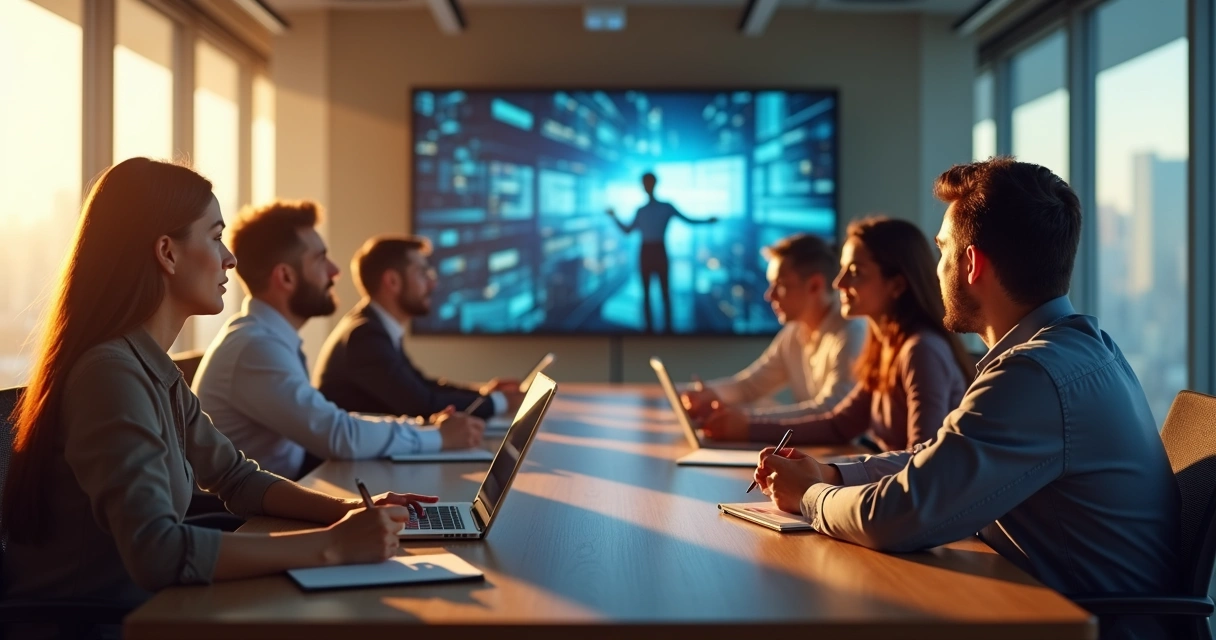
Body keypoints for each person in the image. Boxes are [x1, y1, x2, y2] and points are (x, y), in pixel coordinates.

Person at [753, 158, 1181, 639]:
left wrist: (809, 496)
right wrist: (831, 473)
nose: (936, 269)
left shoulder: (1033, 375)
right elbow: (938, 462)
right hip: (1048, 602)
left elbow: (902, 515)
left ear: (972, 264)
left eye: (943, 250)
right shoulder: (1078, 346)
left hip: (1081, 624)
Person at [2, 158, 435, 615]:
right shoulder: (110, 375)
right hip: (94, 623)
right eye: (214, 237)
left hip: (145, 609)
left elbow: (234, 477)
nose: (230, 258)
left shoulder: (150, 367)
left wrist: (346, 513)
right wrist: (332, 547)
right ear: (167, 253)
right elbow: (158, 552)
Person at [193, 200, 484, 481]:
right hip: (252, 519)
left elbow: (336, 421)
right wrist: (437, 436)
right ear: (285, 277)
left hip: (289, 489)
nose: (335, 271)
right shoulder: (255, 348)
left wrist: (424, 428)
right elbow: (338, 435)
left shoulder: (265, 339)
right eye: (320, 259)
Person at [703, 217, 972, 453]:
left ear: (897, 285)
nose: (838, 282)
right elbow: (839, 424)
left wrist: (830, 479)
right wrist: (747, 428)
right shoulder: (885, 344)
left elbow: (921, 463)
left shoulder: (920, 350)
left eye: (854, 272)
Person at [314, 234, 524, 419]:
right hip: (341, 464)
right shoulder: (365, 336)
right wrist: (500, 402)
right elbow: (422, 405)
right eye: (423, 274)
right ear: (393, 281)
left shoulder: (374, 327)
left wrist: (484, 393)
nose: (432, 284)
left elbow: (421, 386)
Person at [681, 233, 866, 420]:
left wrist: (746, 421)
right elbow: (749, 386)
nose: (770, 295)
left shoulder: (851, 332)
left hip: (853, 449)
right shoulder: (795, 333)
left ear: (815, 285)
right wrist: (702, 395)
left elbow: (832, 411)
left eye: (781, 285)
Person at [606, 172, 718, 333]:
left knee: (664, 293)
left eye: (649, 182)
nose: (647, 186)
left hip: (657, 251)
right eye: (645, 183)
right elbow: (627, 230)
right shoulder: (642, 210)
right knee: (646, 295)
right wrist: (614, 217)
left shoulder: (665, 207)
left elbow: (689, 220)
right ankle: (649, 332)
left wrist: (708, 221)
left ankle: (667, 333)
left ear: (653, 184)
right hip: (647, 251)